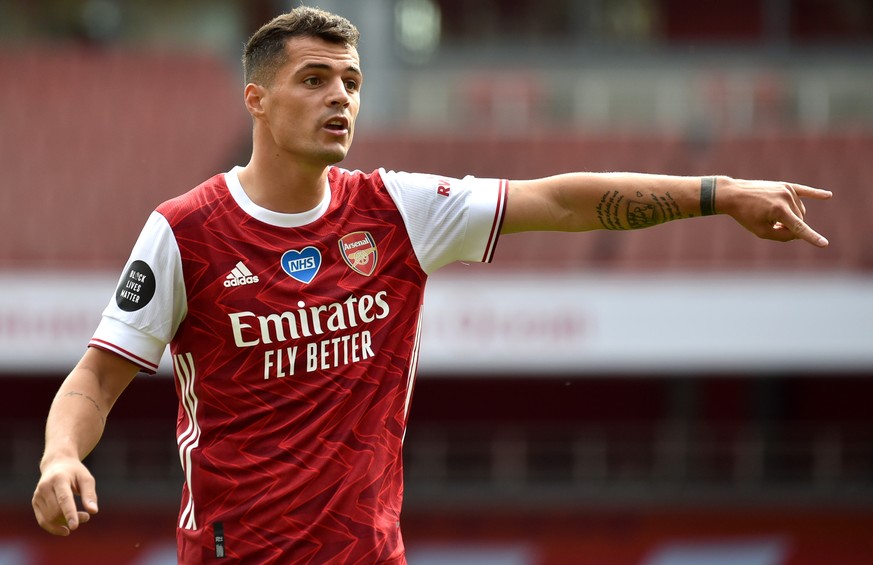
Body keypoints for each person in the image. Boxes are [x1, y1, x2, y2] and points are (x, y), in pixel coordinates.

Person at [32, 6, 831, 564]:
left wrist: (718, 192)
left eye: (349, 81)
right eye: (313, 80)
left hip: (372, 553)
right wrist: (59, 457)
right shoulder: (185, 231)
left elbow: (557, 198)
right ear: (257, 99)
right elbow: (95, 379)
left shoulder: (397, 209)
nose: (338, 96)